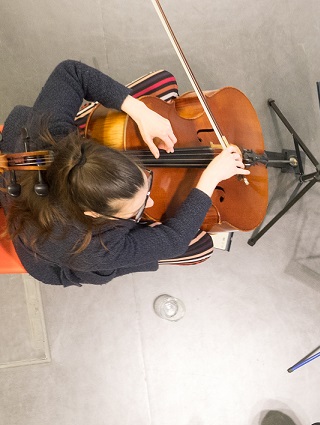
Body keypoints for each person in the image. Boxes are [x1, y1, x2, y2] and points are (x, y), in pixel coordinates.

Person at [0, 60, 248, 286]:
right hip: (47, 251)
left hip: (17, 166)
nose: (149, 201)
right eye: (138, 209)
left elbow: (71, 72)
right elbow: (174, 240)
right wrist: (209, 180)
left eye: (146, 180)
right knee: (201, 247)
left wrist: (141, 112)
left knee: (164, 82)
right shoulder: (93, 247)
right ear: (95, 213)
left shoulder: (48, 135)